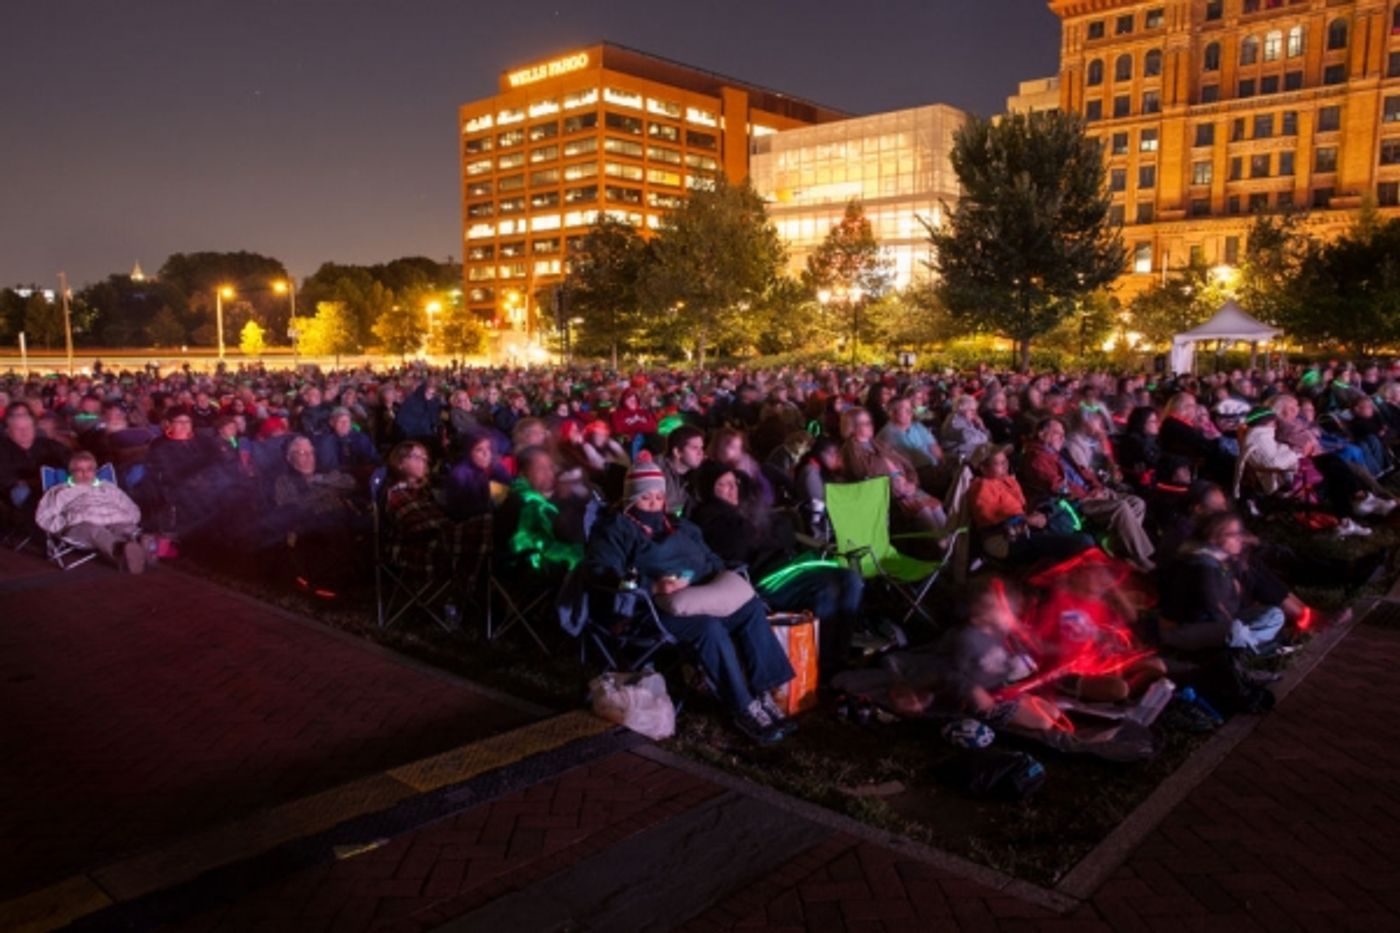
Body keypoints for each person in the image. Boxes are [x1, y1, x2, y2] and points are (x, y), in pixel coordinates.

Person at [584, 455, 796, 743]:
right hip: (649, 609)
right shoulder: (614, 530)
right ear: (631, 500)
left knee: (750, 608)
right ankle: (742, 706)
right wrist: (653, 585)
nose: (655, 505)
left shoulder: (680, 526)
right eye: (647, 499)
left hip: (697, 593)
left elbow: (711, 558)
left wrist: (713, 577)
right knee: (708, 627)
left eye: (659, 497)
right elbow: (603, 574)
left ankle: (766, 692)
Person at [689, 460, 862, 673]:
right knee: (825, 589)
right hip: (762, 578)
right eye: (724, 484)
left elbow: (785, 530)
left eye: (734, 482)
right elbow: (740, 546)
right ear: (710, 489)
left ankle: (839, 654)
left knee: (851, 579)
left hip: (787, 565)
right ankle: (820, 661)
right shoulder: (709, 517)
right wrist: (765, 534)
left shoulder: (747, 509)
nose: (733, 489)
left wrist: (763, 533)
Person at [1019, 417, 1156, 571]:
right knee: (1121, 508)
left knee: (1137, 503)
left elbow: (1084, 472)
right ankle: (1141, 558)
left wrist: (1097, 487)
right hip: (1075, 502)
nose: (1062, 438)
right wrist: (1087, 495)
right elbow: (1056, 486)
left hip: (1091, 493)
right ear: (1042, 434)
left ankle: (1120, 550)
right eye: (1057, 433)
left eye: (1063, 434)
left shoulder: (1061, 453)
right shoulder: (1036, 458)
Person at [967, 443, 1093, 565]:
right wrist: (1024, 521)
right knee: (1083, 542)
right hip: (1004, 539)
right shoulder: (982, 486)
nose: (1005, 466)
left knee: (1078, 515)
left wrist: (1036, 516)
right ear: (983, 468)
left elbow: (1023, 508)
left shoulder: (1008, 481)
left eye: (1005, 461)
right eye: (998, 463)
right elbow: (989, 519)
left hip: (1025, 529)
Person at [34, 450, 149, 573]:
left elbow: (132, 508)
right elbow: (43, 516)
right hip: (82, 525)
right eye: (79, 470)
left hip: (113, 520)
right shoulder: (61, 491)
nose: (85, 474)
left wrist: (124, 517)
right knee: (95, 532)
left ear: (95, 471)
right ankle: (122, 550)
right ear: (71, 473)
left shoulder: (108, 488)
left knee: (123, 527)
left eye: (89, 469)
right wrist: (65, 524)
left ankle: (141, 539)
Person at [0, 404, 70, 522]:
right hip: (23, 492)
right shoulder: (3, 449)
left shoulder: (50, 445)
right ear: (8, 432)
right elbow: (5, 479)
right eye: (18, 429)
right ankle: (44, 527)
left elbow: (71, 462)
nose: (24, 432)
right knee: (21, 492)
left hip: (55, 487)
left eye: (28, 428)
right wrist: (32, 482)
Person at [314, 407, 382, 477]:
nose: (345, 424)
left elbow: (375, 459)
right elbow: (326, 468)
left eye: (347, 421)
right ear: (332, 423)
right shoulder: (325, 442)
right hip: (336, 480)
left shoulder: (361, 438)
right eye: (340, 421)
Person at [660, 424, 705, 516]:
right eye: (694, 448)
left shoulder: (698, 472)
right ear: (677, 452)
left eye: (701, 448)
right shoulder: (657, 472)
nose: (701, 453)